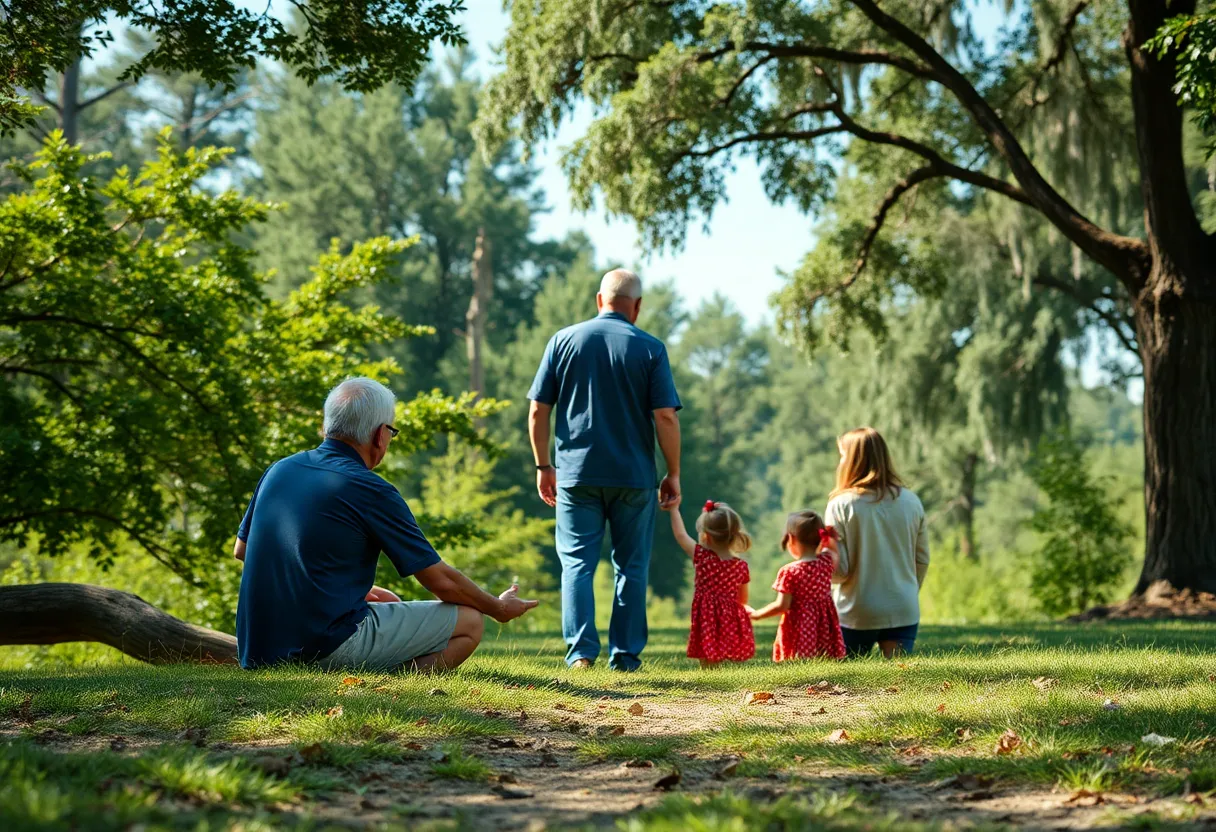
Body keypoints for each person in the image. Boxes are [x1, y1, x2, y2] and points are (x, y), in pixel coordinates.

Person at [233, 377, 538, 672]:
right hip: (321, 646)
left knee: (384, 601)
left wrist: (342, 590)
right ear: (380, 435)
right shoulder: (370, 489)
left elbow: (244, 549)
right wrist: (498, 609)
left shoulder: (279, 470)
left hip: (258, 650)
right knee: (470, 622)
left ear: (326, 427)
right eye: (392, 432)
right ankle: (384, 681)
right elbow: (441, 581)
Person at [527, 268, 682, 671]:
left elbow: (538, 409)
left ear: (600, 300)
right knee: (630, 565)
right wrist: (674, 472)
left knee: (577, 562)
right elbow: (665, 416)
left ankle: (580, 654)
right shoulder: (650, 348)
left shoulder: (563, 341)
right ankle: (626, 656)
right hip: (634, 477)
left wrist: (544, 464)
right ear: (638, 307)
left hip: (576, 475)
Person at [824, 427, 929, 659]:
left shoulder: (841, 505)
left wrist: (823, 550)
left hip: (856, 611)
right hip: (903, 607)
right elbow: (921, 559)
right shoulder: (911, 501)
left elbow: (839, 572)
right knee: (899, 681)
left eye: (842, 456)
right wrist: (908, 590)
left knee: (845, 688)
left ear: (851, 460)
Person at [665, 498, 754, 667]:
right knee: (722, 648)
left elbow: (680, 535)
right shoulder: (741, 566)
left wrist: (674, 510)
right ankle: (717, 671)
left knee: (706, 647)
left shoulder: (701, 556)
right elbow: (742, 600)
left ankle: (708, 672)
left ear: (706, 536)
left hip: (705, 612)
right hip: (729, 614)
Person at [750, 510, 846, 661]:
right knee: (823, 656)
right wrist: (829, 538)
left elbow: (782, 606)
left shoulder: (789, 571)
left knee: (799, 656)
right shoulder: (826, 562)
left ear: (791, 539)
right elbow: (834, 551)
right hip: (824, 625)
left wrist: (757, 615)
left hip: (800, 626)